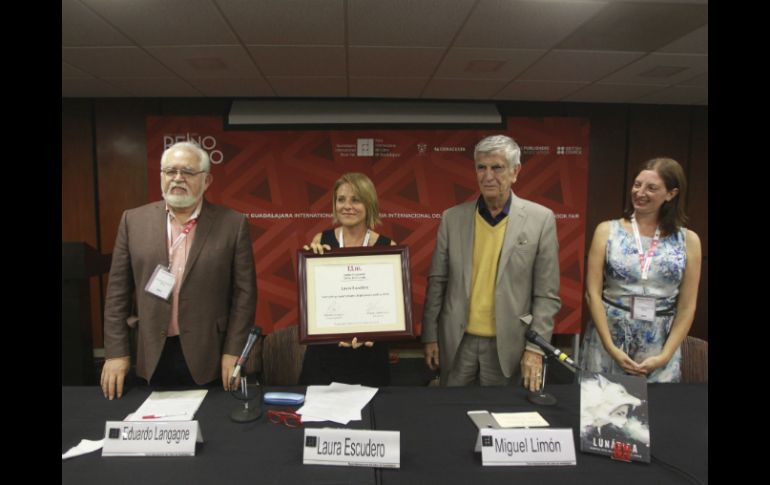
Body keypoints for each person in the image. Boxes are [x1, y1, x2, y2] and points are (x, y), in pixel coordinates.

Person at [100, 141, 257, 399]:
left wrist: (234, 351)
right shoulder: (133, 221)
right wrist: (116, 353)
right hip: (150, 352)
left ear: (207, 181)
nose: (177, 178)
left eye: (188, 172)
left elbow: (245, 295)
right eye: (170, 171)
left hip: (209, 354)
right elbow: (117, 292)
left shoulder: (233, 224)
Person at [422, 134, 561, 391]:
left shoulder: (540, 220)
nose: (488, 176)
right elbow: (437, 282)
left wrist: (535, 348)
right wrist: (430, 336)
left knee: (501, 419)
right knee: (451, 416)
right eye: (481, 168)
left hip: (509, 345)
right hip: (456, 342)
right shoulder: (452, 219)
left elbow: (547, 295)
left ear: (515, 171)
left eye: (497, 167)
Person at [580, 157, 701, 382]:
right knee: (604, 413)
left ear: (671, 194)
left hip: (659, 345)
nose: (640, 192)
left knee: (660, 413)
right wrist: (610, 347)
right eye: (637, 185)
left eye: (651, 188)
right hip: (609, 340)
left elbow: (687, 306)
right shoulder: (607, 231)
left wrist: (665, 356)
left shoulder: (688, 240)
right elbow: (592, 294)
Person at [299, 172, 396, 387]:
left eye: (356, 199)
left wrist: (373, 333)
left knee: (372, 417)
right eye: (341, 199)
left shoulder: (388, 248)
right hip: (325, 354)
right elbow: (314, 302)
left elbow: (391, 307)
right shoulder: (321, 241)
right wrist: (311, 263)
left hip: (369, 354)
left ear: (369, 204)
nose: (347, 206)